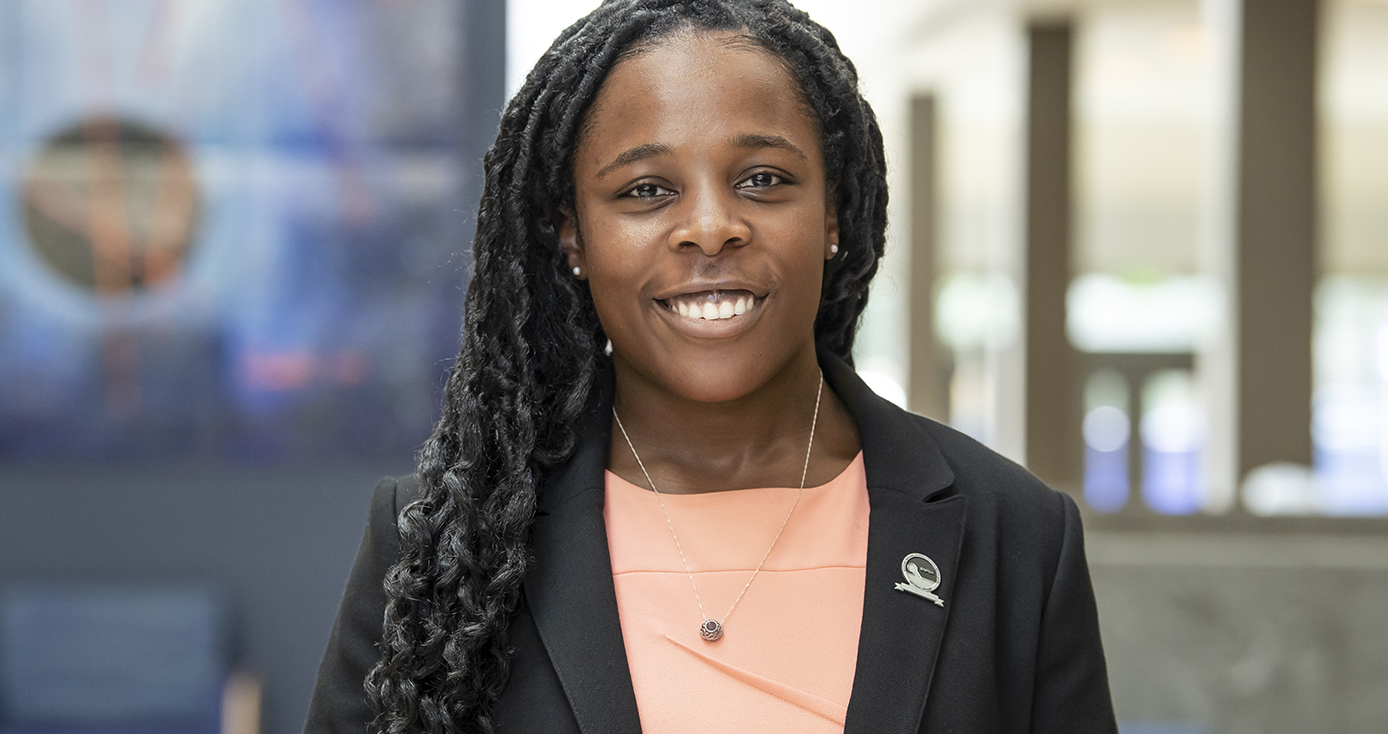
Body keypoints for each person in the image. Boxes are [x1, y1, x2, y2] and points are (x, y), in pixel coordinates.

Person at [305, 1, 1118, 732]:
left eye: (763, 180)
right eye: (647, 190)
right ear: (572, 237)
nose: (710, 227)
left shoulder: (1017, 536)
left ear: (833, 212)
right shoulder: (452, 539)